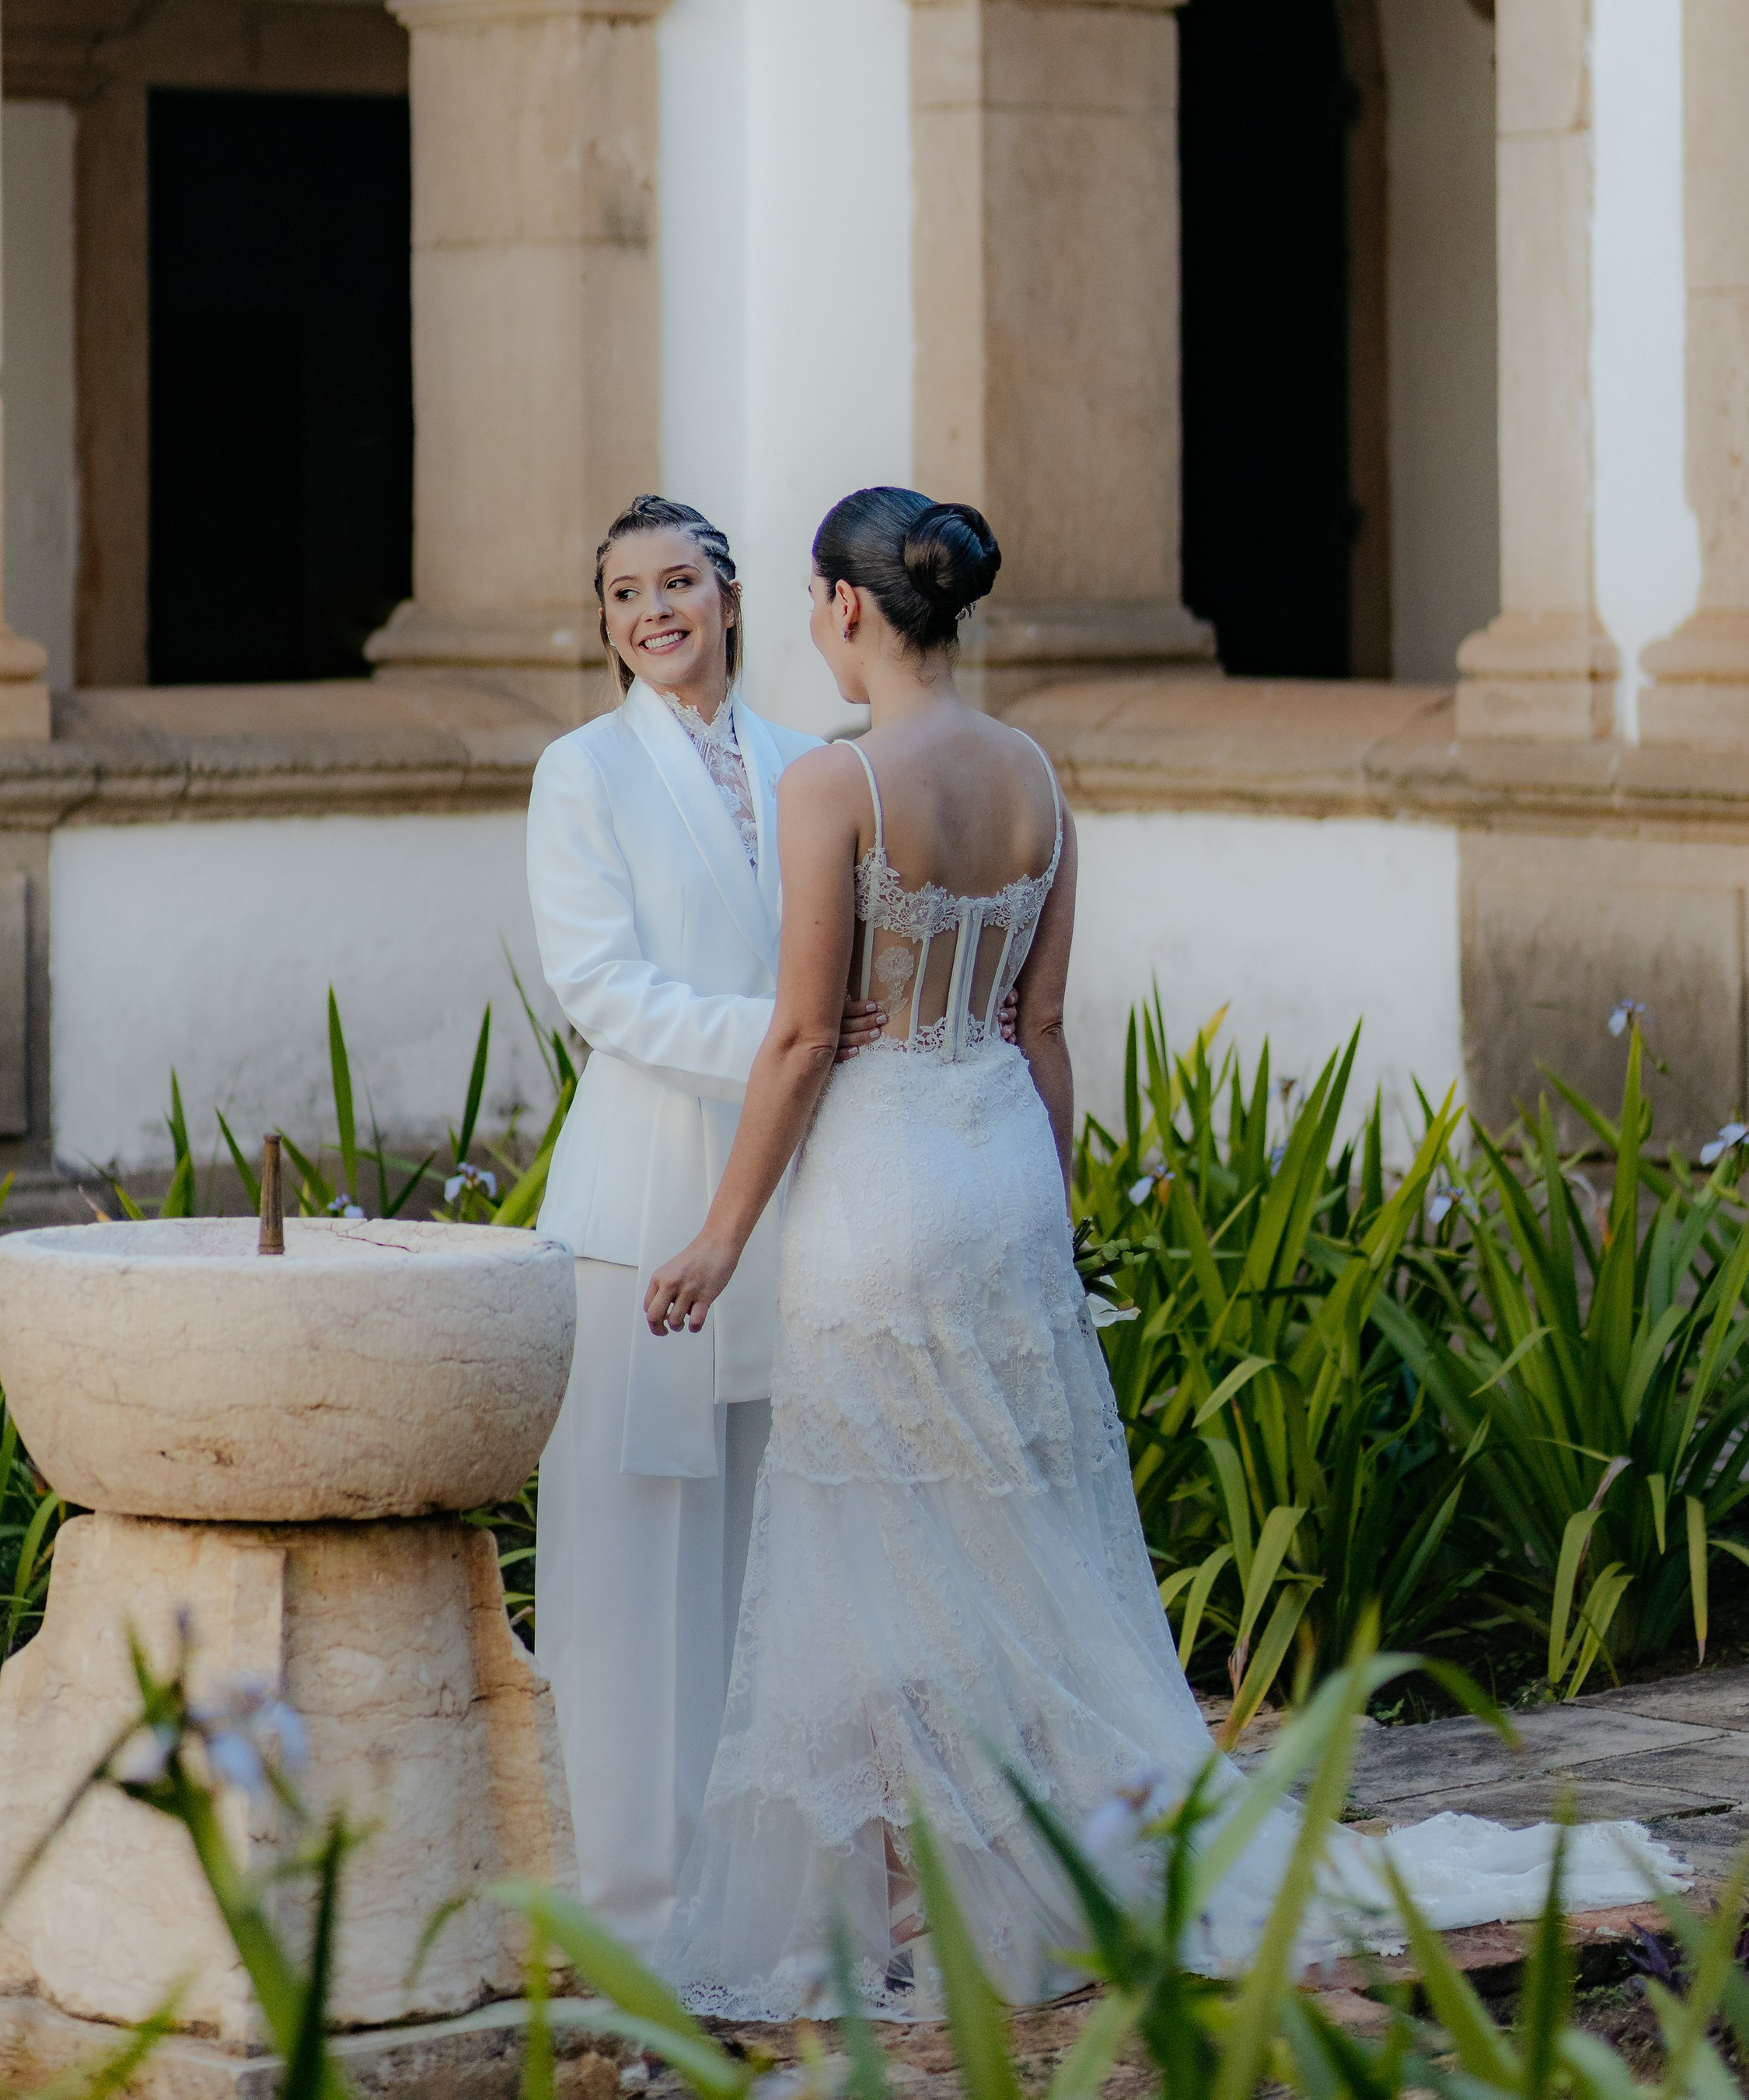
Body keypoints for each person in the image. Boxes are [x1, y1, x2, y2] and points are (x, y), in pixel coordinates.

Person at [645, 485, 1684, 2019]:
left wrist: (719, 1236)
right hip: (998, 1160)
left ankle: (882, 1910)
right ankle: (1029, 1863)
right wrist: (1043, 1219)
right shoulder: (1036, 777)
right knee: (1016, 1526)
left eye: (813, 600)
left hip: (879, 1177)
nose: (813, 624)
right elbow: (1041, 1028)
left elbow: (805, 1034)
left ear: (848, 608)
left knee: (865, 1546)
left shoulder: (831, 788)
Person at [526, 493, 881, 1948]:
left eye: (681, 581)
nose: (654, 610)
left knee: (771, 1561)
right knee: (630, 1565)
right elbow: (598, 987)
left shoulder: (817, 766)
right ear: (607, 624)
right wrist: (787, 1035)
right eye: (625, 593)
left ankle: (776, 1898)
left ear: (733, 598)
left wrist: (831, 1049)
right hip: (644, 1208)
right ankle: (634, 1900)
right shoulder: (581, 773)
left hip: (795, 1202)